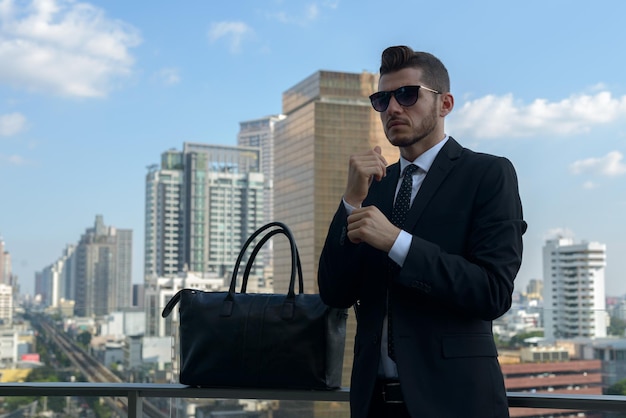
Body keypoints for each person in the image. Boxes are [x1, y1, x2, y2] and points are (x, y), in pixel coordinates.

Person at [318, 45, 527, 418]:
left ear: (444, 104)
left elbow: (493, 292)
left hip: (457, 401)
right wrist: (351, 200)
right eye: (382, 99)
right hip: (373, 403)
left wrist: (398, 243)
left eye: (407, 94)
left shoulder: (487, 175)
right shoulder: (374, 187)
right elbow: (335, 293)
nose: (393, 108)